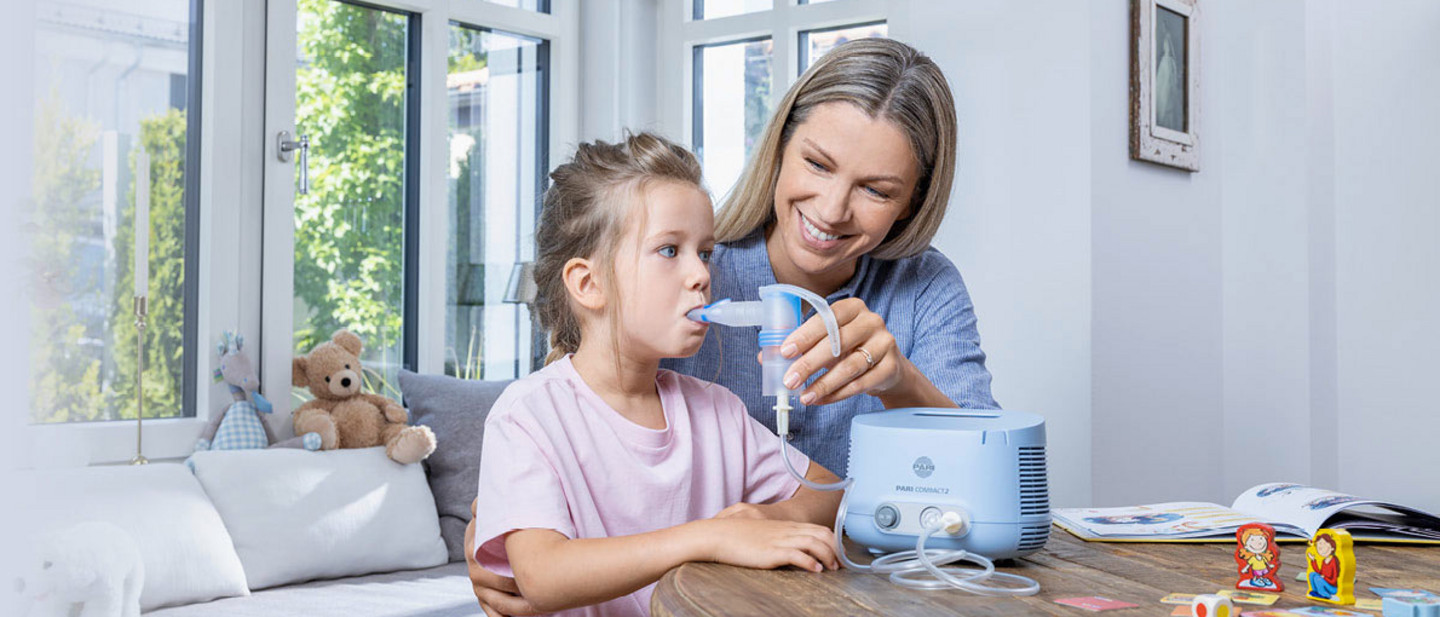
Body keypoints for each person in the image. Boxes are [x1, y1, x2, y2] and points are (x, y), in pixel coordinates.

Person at [468, 38, 999, 615]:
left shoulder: (718, 410)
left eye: (875, 189)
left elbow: (956, 491)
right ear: (778, 148)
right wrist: (500, 529)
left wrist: (900, 386)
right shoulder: (559, 393)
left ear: (911, 201)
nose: (832, 207)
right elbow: (556, 505)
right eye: (817, 164)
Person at [468, 133, 845, 617]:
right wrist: (710, 538)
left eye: (704, 252)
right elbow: (542, 575)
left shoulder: (716, 411)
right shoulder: (528, 416)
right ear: (589, 283)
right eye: (670, 251)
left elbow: (825, 493)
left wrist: (761, 519)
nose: (702, 275)